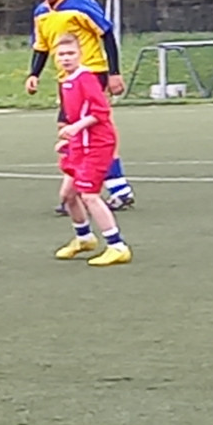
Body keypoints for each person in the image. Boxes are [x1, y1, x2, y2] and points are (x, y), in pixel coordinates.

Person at [23, 0, 133, 211]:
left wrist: (114, 73)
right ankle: (101, 189)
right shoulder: (41, 13)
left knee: (87, 132)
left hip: (91, 73)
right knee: (68, 131)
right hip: (66, 79)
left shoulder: (80, 4)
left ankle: (98, 190)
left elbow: (106, 34)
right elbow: (42, 47)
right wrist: (34, 74)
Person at [51, 33, 130, 266]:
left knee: (89, 195)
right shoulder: (66, 81)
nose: (66, 58)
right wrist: (69, 139)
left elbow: (100, 112)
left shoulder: (86, 78)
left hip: (97, 144)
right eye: (61, 54)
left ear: (80, 54)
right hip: (80, 143)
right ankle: (84, 238)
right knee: (68, 195)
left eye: (71, 53)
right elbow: (76, 114)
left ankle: (117, 246)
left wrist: (75, 128)